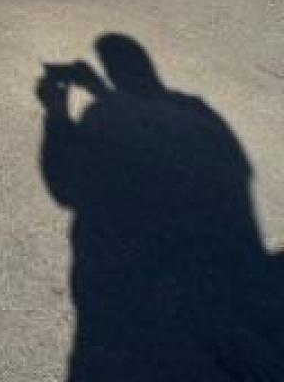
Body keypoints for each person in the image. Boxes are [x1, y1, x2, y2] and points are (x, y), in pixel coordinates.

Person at [37, 35, 284, 381]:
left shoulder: (113, 119)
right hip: (205, 306)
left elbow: (64, 188)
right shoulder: (199, 116)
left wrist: (55, 110)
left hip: (123, 317)